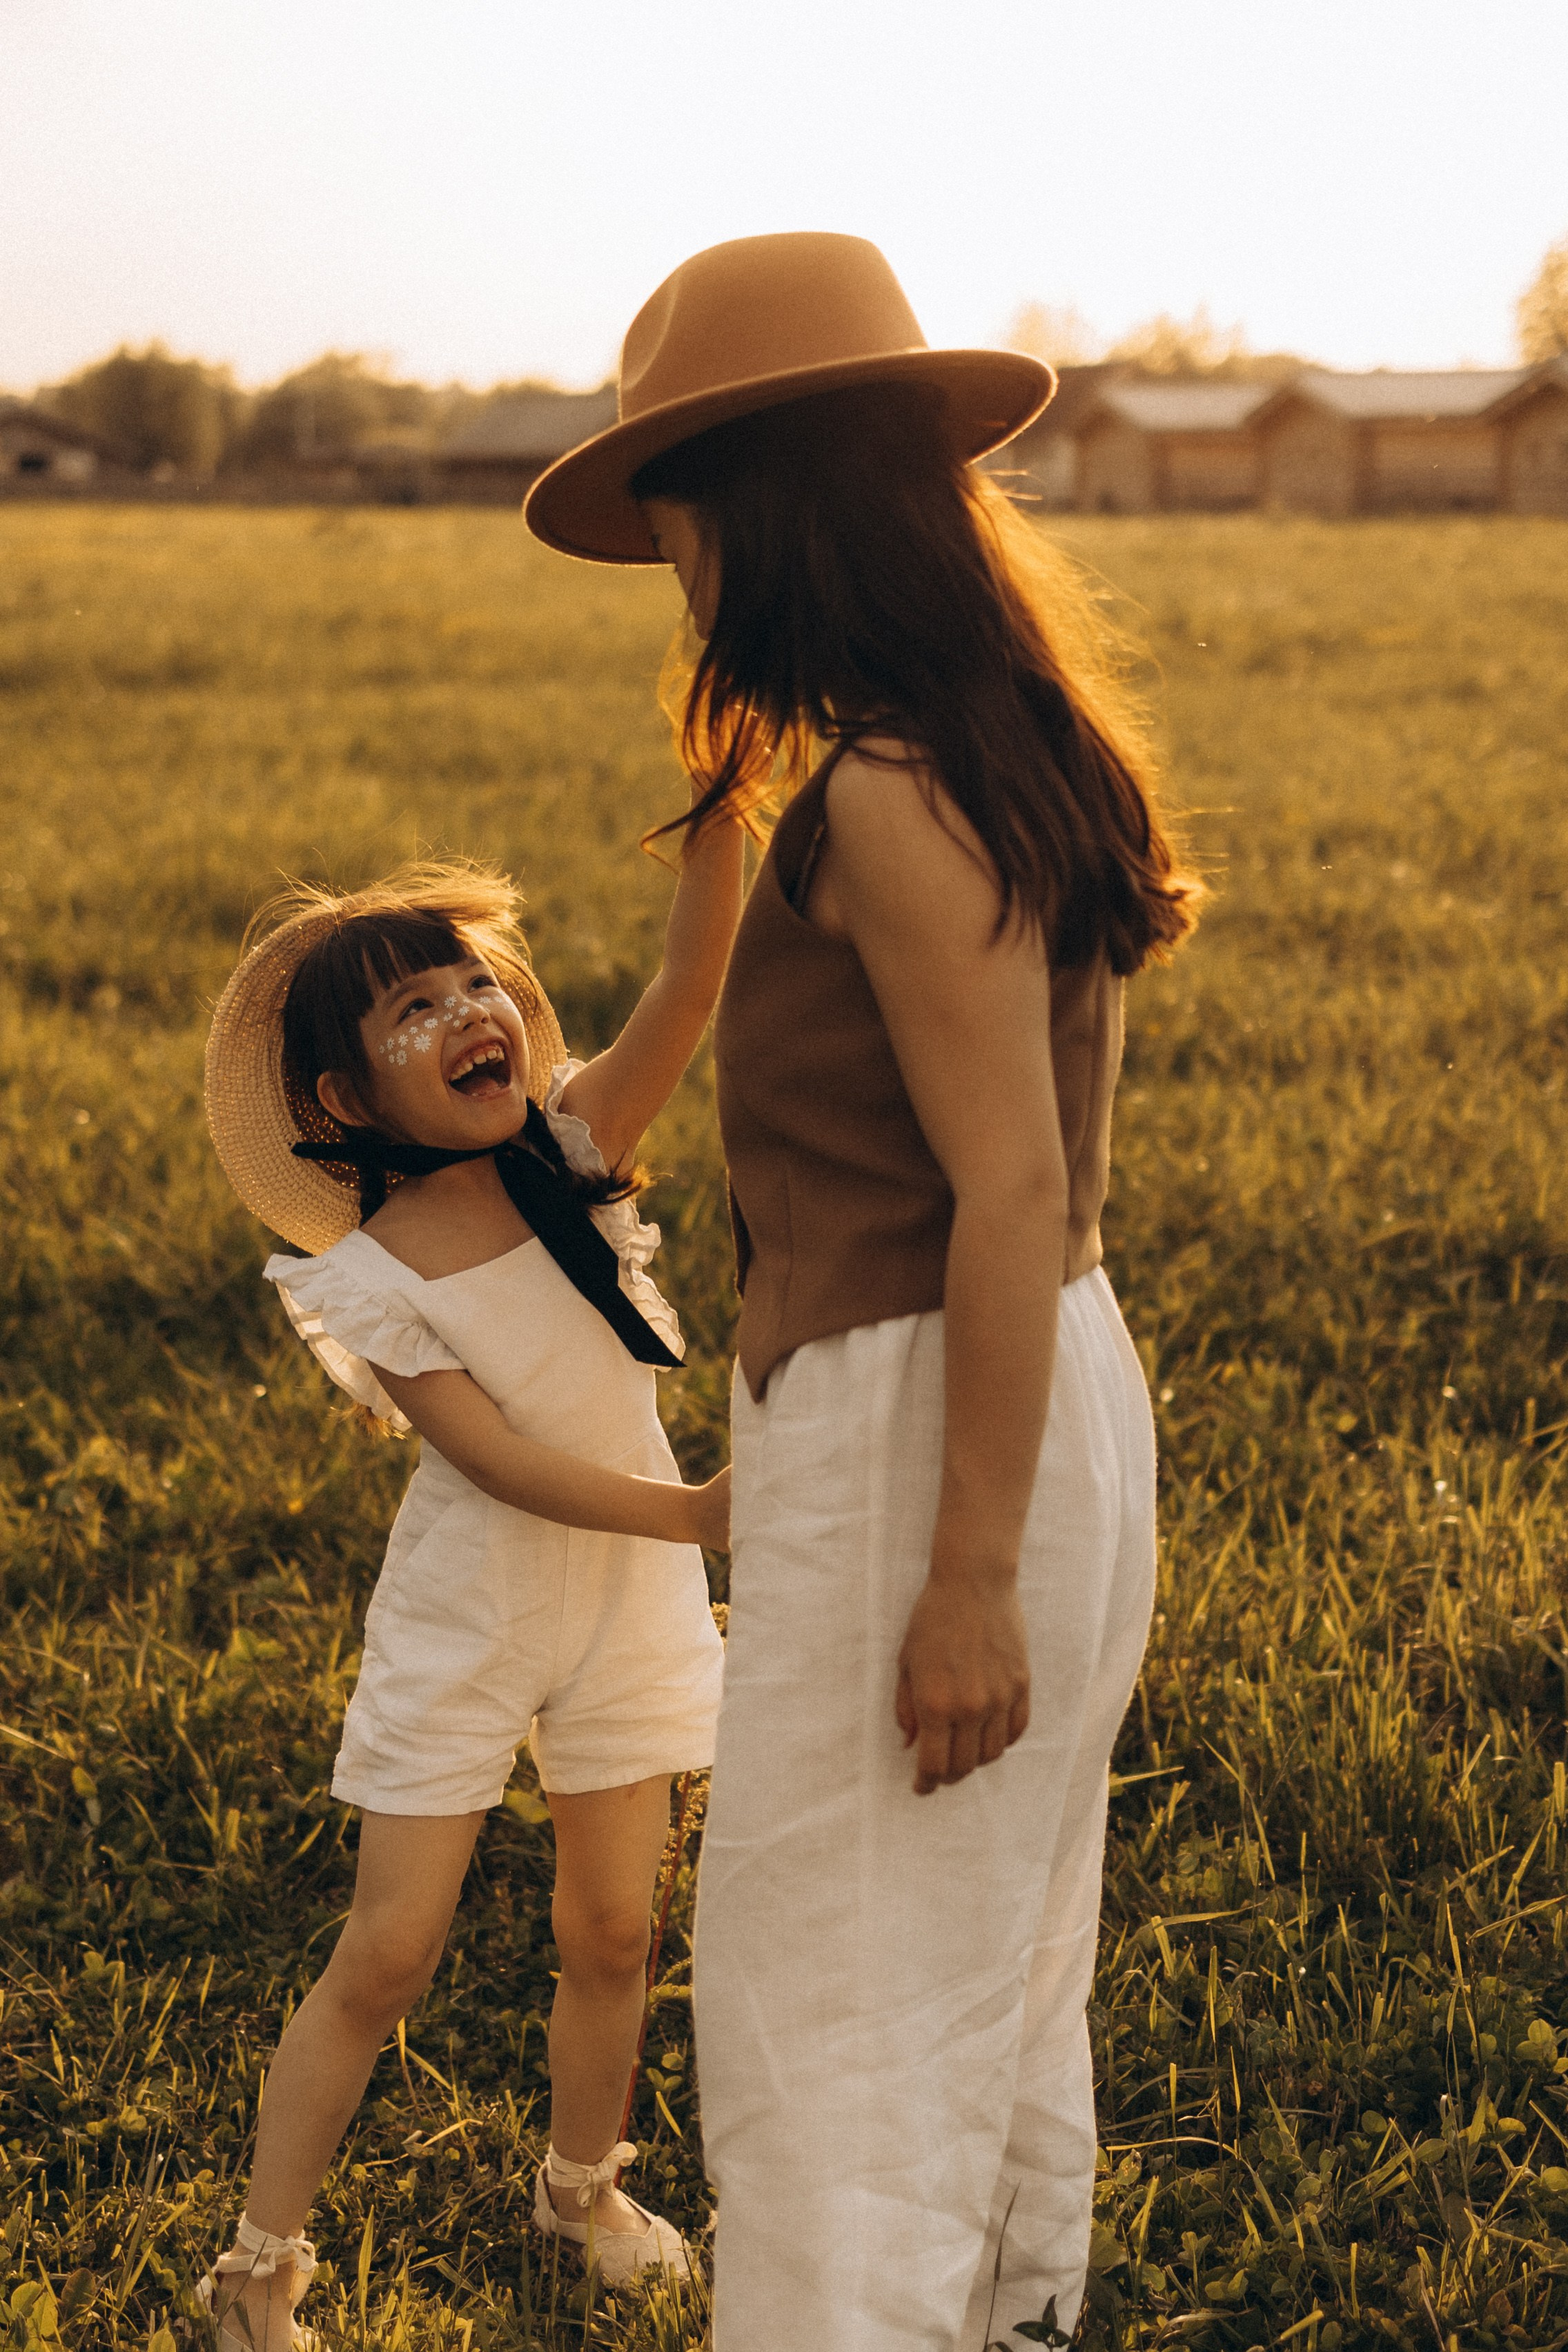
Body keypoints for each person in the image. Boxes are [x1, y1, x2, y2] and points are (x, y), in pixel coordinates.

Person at [524, 233, 1201, 2350]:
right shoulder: (977, 741)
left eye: (685, 511)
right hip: (1032, 1383)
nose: (679, 566)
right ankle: (996, 2313)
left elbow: (1004, 1191)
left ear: (782, 498)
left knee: (837, 1971)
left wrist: (969, 1573)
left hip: (940, 1413)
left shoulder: (899, 791)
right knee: (984, 1942)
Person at [199, 847, 740, 2349]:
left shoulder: (569, 1159)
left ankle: (581, 2190)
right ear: (341, 1104)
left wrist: (717, 819)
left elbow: (686, 988)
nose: (462, 1014)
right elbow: (494, 1459)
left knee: (616, 1929)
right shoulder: (375, 1273)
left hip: (626, 1607)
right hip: (473, 1620)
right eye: (409, 1013)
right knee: (389, 1951)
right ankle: (257, 2271)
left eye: (470, 985)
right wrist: (693, 1514)